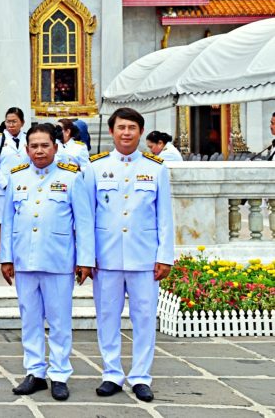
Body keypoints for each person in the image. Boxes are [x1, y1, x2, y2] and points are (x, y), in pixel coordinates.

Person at [83, 108, 174, 402]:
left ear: (140, 132)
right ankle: (111, 373)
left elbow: (165, 218)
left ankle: (140, 376)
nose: (126, 133)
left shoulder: (156, 168)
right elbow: (86, 217)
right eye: (121, 127)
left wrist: (165, 256)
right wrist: (86, 256)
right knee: (107, 316)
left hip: (143, 257)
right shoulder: (95, 167)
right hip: (106, 258)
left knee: (144, 318)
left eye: (132, 128)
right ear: (111, 132)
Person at [0, 124, 94, 402]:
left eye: (44, 145)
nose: (39, 151)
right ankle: (35, 372)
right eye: (34, 146)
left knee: (59, 320)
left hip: (58, 259)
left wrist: (85, 260)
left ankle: (60, 374)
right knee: (29, 318)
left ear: (55, 146)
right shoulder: (17, 177)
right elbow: (8, 221)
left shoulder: (72, 177)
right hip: (25, 259)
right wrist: (6, 257)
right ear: (27, 149)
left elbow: (84, 222)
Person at [0, 107, 29, 257]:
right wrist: (5, 183)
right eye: (8, 122)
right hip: (3, 186)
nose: (11, 125)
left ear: (22, 122)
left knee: (22, 216)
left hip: (24, 185)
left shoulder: (28, 138)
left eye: (14, 122)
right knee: (1, 219)